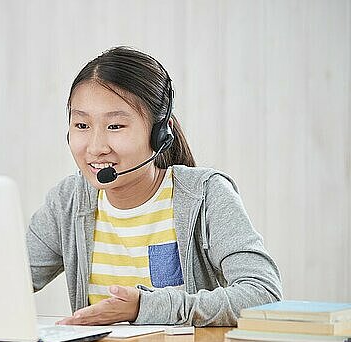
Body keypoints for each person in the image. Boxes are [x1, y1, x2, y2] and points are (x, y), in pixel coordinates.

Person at [26, 47, 282, 326]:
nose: (96, 147)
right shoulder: (68, 201)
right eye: (82, 124)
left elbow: (264, 294)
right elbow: (2, 282)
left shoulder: (205, 195)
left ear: (161, 133)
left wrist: (144, 308)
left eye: (115, 126)